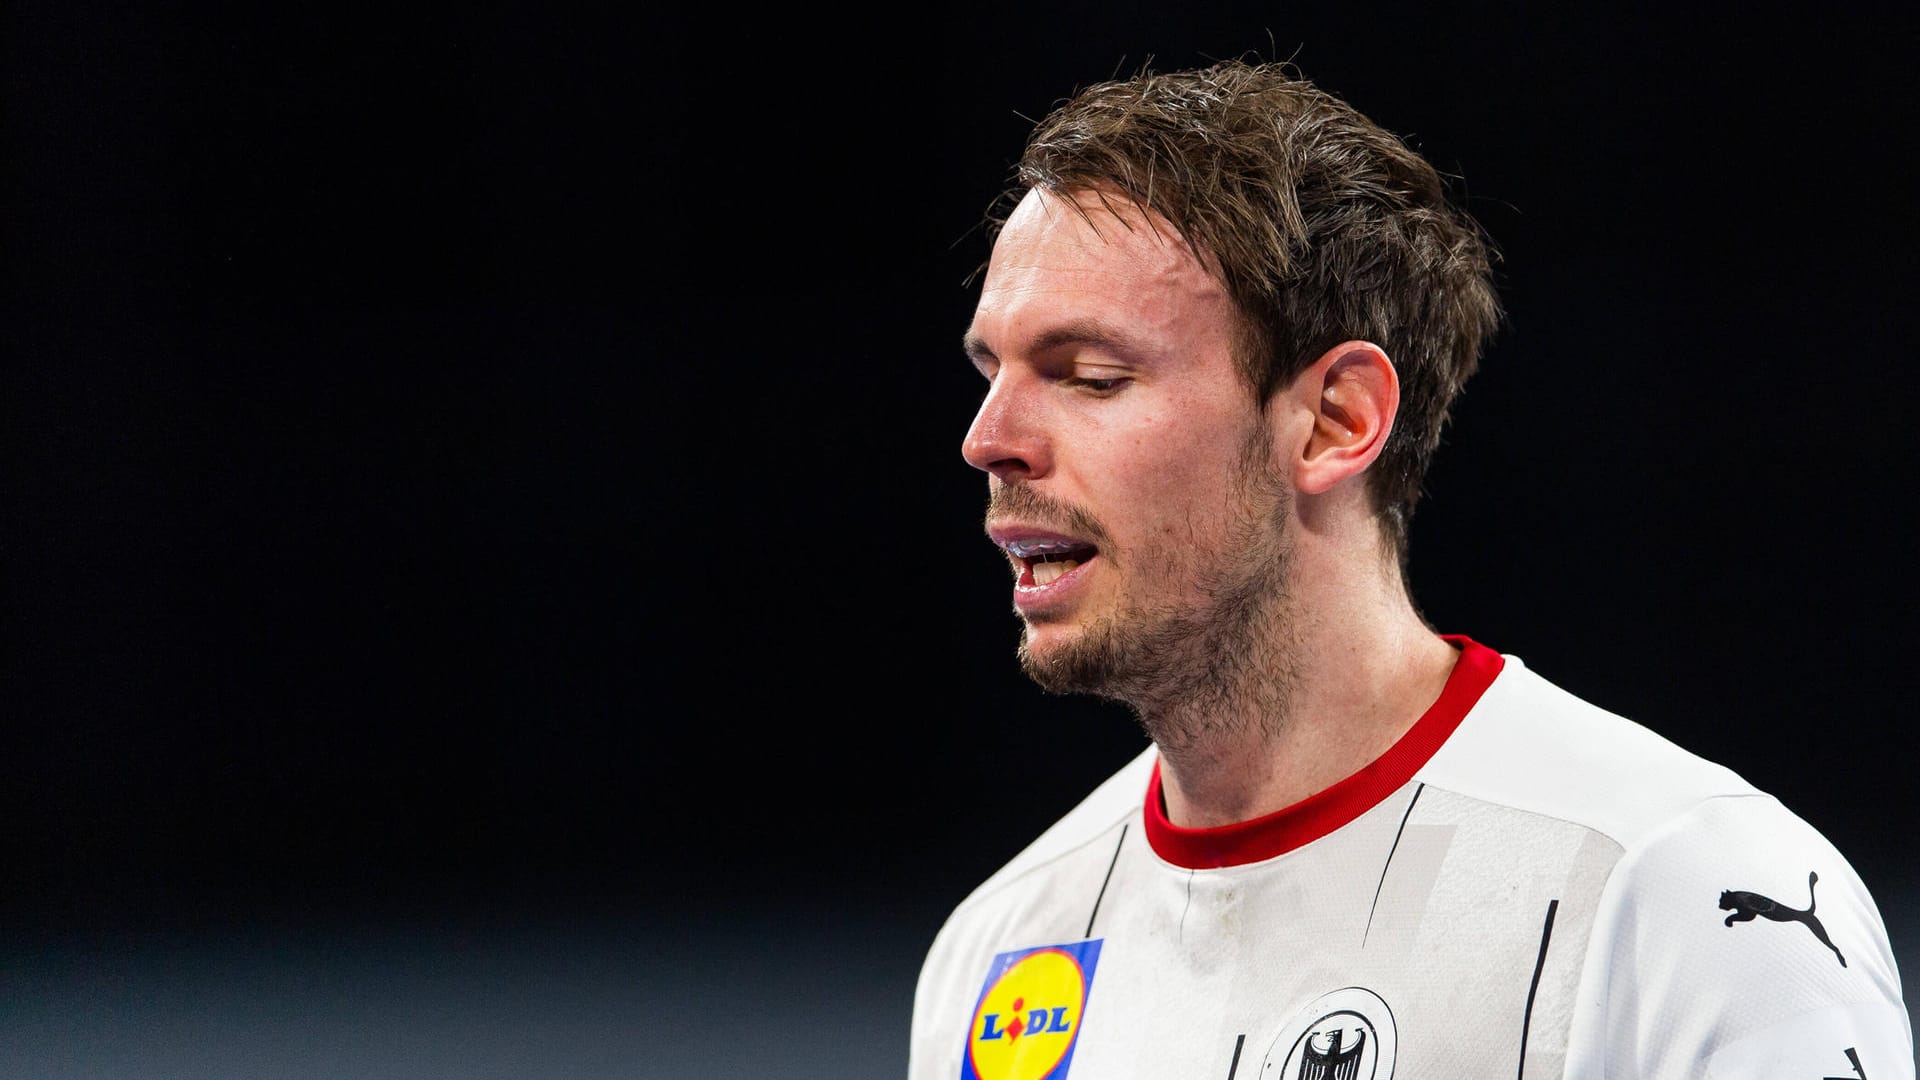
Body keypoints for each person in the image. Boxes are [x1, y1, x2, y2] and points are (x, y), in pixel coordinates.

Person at [908, 58, 1912, 1080]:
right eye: (991, 371)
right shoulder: (993, 957)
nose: (987, 440)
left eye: (1089, 376)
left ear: (1338, 421)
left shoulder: (1685, 900)